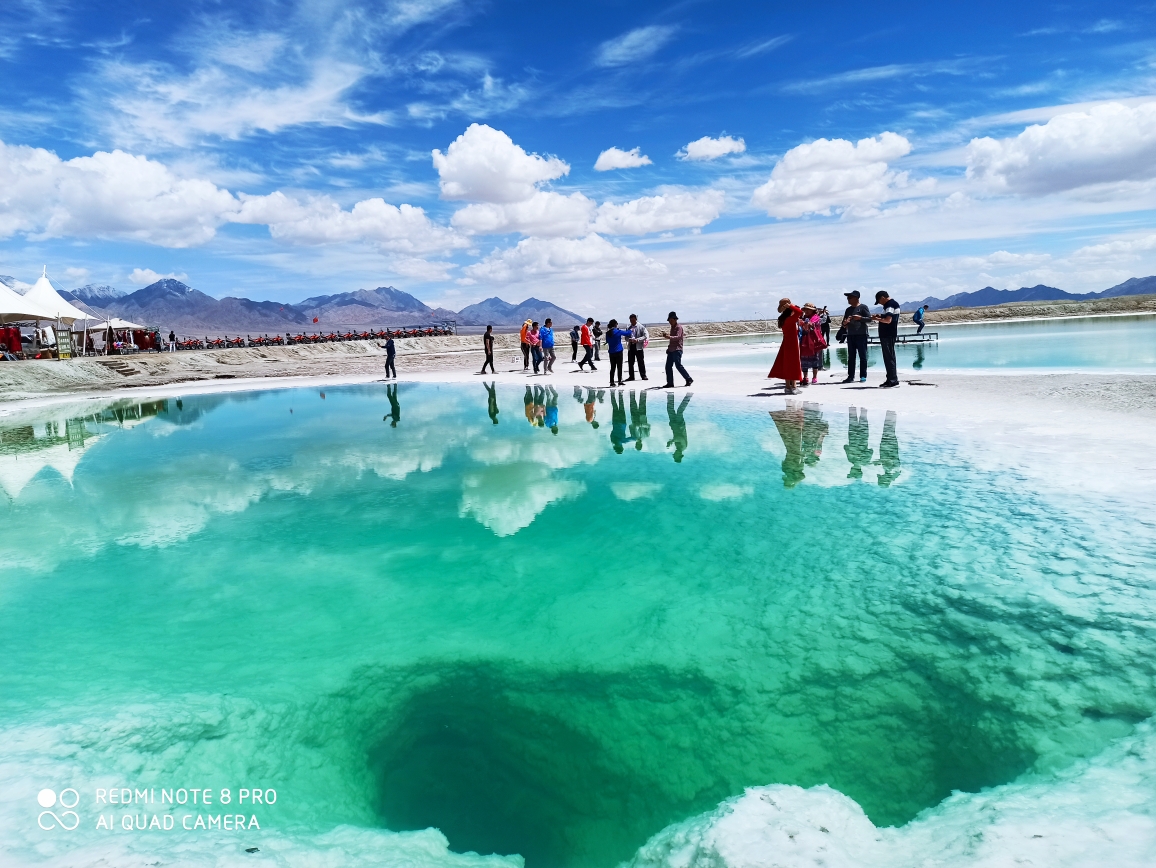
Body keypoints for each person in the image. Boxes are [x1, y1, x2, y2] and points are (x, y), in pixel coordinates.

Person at [768, 298, 803, 394]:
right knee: (794, 364)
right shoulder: (790, 319)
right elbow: (799, 312)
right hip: (792, 343)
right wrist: (791, 305)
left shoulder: (784, 319)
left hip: (787, 343)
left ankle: (788, 387)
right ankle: (793, 386)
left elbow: (798, 312)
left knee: (788, 364)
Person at [840, 291, 871, 383]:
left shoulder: (863, 307)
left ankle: (863, 376)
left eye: (849, 298)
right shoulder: (848, 310)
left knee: (863, 356)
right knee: (851, 357)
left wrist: (860, 318)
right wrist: (845, 323)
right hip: (850, 335)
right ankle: (850, 376)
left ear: (856, 298)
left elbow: (869, 319)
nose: (848, 300)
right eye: (847, 298)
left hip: (861, 335)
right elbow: (843, 323)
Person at [873, 290, 901, 388]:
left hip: (888, 335)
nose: (880, 303)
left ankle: (893, 380)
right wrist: (880, 316)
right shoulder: (890, 305)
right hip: (888, 334)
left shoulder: (890, 305)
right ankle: (890, 379)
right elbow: (888, 316)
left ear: (883, 298)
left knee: (889, 357)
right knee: (888, 357)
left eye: (879, 301)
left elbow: (888, 320)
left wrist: (877, 319)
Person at [659, 311, 692, 388]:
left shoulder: (679, 327)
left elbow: (678, 337)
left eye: (671, 320)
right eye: (669, 321)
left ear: (675, 319)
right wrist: (668, 347)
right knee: (668, 366)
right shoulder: (672, 328)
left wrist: (669, 337)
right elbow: (672, 340)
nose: (670, 322)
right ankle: (670, 383)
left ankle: (688, 379)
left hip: (677, 349)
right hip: (671, 350)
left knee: (678, 365)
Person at [798, 303, 826, 385]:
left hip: (813, 341)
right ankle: (805, 377)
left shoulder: (816, 318)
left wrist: (806, 323)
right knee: (804, 359)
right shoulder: (803, 318)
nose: (806, 311)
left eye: (808, 309)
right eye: (805, 309)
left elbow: (813, 324)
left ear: (812, 310)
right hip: (805, 340)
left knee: (814, 359)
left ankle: (814, 377)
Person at [844, 407, 872, 479]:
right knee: (852, 418)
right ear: (852, 469)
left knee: (863, 417)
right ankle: (852, 404)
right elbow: (845, 447)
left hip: (863, 438)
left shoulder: (865, 461)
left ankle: (864, 405)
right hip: (852, 437)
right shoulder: (850, 459)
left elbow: (871, 451)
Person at [605, 318, 632, 387]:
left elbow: (607, 341)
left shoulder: (608, 333)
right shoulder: (618, 331)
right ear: (615, 324)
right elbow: (628, 333)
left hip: (611, 352)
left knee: (612, 367)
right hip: (618, 351)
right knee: (619, 367)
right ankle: (619, 381)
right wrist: (628, 329)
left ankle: (612, 382)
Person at [666, 392, 691, 462]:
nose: (674, 454)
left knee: (670, 410)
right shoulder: (683, 447)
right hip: (680, 425)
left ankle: (670, 395)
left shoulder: (677, 447)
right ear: (679, 455)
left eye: (673, 455)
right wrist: (672, 441)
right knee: (680, 411)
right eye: (675, 455)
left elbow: (676, 436)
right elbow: (680, 438)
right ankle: (689, 395)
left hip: (674, 425)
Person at [626, 313, 649, 381]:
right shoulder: (628, 327)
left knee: (640, 361)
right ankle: (631, 376)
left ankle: (643, 375)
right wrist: (629, 339)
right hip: (631, 346)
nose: (632, 322)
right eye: (631, 320)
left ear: (636, 319)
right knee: (630, 362)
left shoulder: (641, 327)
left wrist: (638, 340)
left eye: (633, 320)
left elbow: (645, 336)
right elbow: (626, 337)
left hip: (638, 346)